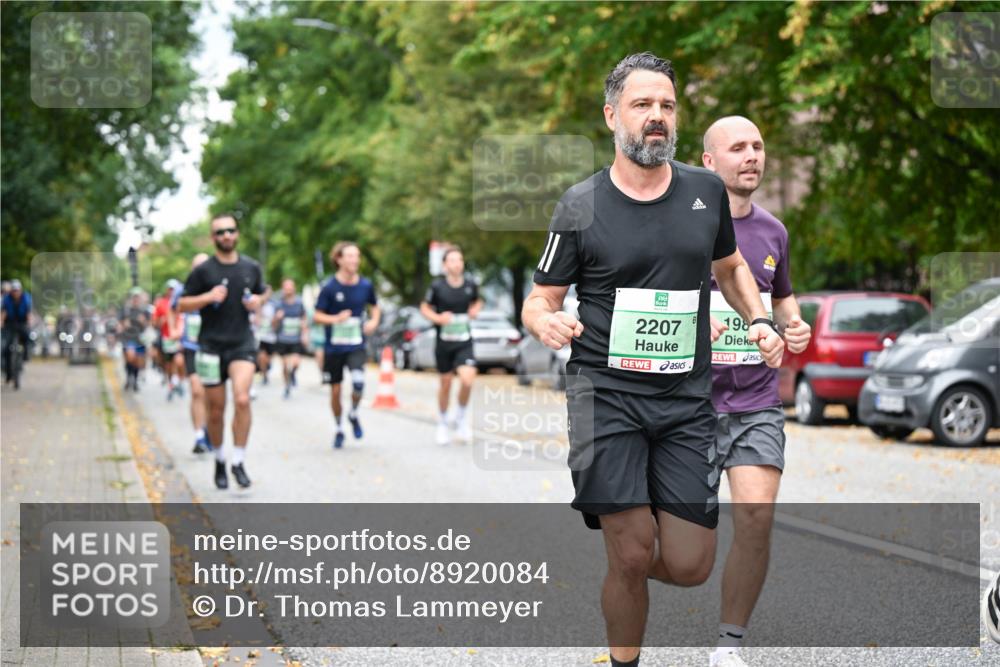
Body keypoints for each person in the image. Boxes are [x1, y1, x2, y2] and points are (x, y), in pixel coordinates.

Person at [521, 53, 784, 667]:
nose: (657, 117)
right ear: (614, 115)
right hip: (605, 398)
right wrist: (547, 322)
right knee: (634, 552)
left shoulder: (705, 191)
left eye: (666, 105)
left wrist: (761, 320)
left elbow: (731, 268)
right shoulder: (579, 203)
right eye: (643, 105)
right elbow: (541, 298)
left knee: (690, 565)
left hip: (686, 402)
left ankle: (627, 569)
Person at [699, 116, 812, 667]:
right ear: (708, 161)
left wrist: (794, 326)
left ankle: (729, 644)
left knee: (756, 518)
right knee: (678, 550)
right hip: (688, 408)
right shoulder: (684, 225)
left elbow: (782, 298)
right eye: (737, 147)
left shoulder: (774, 230)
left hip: (755, 403)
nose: (751, 155)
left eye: (758, 146)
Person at [178, 214, 265, 490]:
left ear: (237, 234)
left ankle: (238, 460)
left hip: (242, 344)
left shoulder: (251, 267)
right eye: (220, 232)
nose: (226, 235)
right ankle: (219, 458)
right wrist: (207, 297)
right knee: (216, 411)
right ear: (213, 237)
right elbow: (181, 304)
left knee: (242, 400)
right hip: (211, 345)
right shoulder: (204, 271)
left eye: (230, 231)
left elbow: (263, 294)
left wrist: (257, 303)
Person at [313, 242, 380, 449]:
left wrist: (373, 322)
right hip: (334, 347)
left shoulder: (365, 285)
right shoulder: (329, 287)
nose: (354, 261)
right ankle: (339, 427)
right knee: (335, 390)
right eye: (350, 256)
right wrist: (335, 319)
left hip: (356, 344)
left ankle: (353, 413)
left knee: (359, 383)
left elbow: (375, 307)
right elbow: (317, 315)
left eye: (357, 256)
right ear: (339, 260)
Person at [420, 245, 483, 445]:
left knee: (467, 380)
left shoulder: (470, 284)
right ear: (445, 265)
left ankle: (461, 417)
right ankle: (443, 422)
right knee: (445, 383)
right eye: (453, 260)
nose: (457, 264)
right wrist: (438, 318)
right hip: (444, 342)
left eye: (460, 260)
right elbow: (424, 308)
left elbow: (477, 301)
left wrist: (474, 311)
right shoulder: (438, 287)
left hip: (464, 340)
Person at [173, 253, 211, 453]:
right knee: (197, 391)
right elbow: (174, 309)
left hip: (212, 347)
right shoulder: (183, 289)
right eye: (197, 267)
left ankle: (209, 429)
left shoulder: (217, 287)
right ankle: (199, 437)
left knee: (211, 395)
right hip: (191, 347)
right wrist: (174, 330)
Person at [273, 278, 308, 400]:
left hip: (296, 338)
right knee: (284, 365)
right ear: (283, 289)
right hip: (282, 338)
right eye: (286, 287)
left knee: (296, 363)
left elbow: (304, 317)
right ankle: (287, 386)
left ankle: (293, 374)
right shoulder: (278, 304)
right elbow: (273, 324)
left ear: (294, 288)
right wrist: (277, 318)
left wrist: (305, 333)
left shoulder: (299, 302)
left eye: (290, 287)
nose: (288, 289)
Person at [156, 279, 185, 399]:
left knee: (179, 362)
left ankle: (179, 382)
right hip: (167, 338)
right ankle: (171, 384)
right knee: (168, 364)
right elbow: (156, 322)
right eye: (170, 289)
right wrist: (162, 321)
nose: (171, 291)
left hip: (180, 338)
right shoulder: (161, 303)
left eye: (174, 289)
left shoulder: (182, 301)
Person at [2, 279, 33, 385]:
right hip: (9, 324)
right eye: (14, 290)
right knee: (5, 348)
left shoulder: (26, 298)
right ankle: (8, 374)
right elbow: (4, 312)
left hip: (22, 323)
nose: (15, 292)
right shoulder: (7, 299)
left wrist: (29, 323)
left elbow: (28, 312)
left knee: (28, 338)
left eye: (17, 290)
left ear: (20, 290)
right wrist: (1, 322)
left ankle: (25, 355)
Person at [119, 288, 150, 392]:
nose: (136, 299)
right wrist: (123, 325)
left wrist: (143, 322)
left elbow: (148, 326)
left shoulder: (144, 311)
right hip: (128, 338)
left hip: (139, 339)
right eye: (134, 297)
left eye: (138, 297)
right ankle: (129, 377)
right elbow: (120, 324)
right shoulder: (126, 310)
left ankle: (134, 381)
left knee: (137, 361)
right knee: (130, 356)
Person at [255, 284, 276, 386]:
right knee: (261, 356)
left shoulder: (273, 304)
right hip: (260, 335)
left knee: (268, 358)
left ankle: (267, 368)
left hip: (271, 336)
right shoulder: (256, 304)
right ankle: (265, 375)